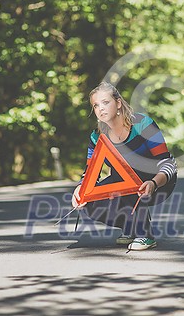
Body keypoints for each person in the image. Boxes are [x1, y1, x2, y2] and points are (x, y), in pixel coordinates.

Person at [72, 81, 177, 251]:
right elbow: (90, 174)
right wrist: (80, 190)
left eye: (106, 102)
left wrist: (154, 183)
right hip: (124, 182)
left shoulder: (143, 124)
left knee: (133, 171)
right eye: (96, 105)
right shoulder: (96, 137)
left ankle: (145, 234)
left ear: (118, 103)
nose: (101, 109)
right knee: (88, 201)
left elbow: (168, 164)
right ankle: (131, 226)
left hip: (159, 181)